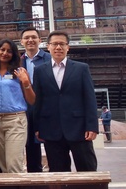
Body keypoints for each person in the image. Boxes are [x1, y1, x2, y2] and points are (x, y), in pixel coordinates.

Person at [33, 30, 98, 172]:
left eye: (62, 44)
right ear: (48, 46)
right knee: (58, 172)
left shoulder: (81, 69)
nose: (58, 47)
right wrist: (37, 127)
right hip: (51, 130)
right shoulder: (40, 71)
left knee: (87, 169)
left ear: (68, 47)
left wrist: (92, 126)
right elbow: (38, 100)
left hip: (79, 129)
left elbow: (89, 99)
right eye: (54, 44)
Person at [0, 39, 34, 173]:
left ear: (13, 54)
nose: (5, 53)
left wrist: (25, 82)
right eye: (2, 50)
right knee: (3, 166)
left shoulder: (20, 72)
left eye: (9, 51)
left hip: (15, 121)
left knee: (14, 164)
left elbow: (31, 100)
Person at [20, 27, 51, 173]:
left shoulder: (49, 59)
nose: (30, 40)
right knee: (30, 146)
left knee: (51, 144)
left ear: (40, 40)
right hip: (26, 109)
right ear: (22, 42)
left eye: (33, 37)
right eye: (26, 38)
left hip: (46, 108)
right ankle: (34, 177)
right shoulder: (18, 61)